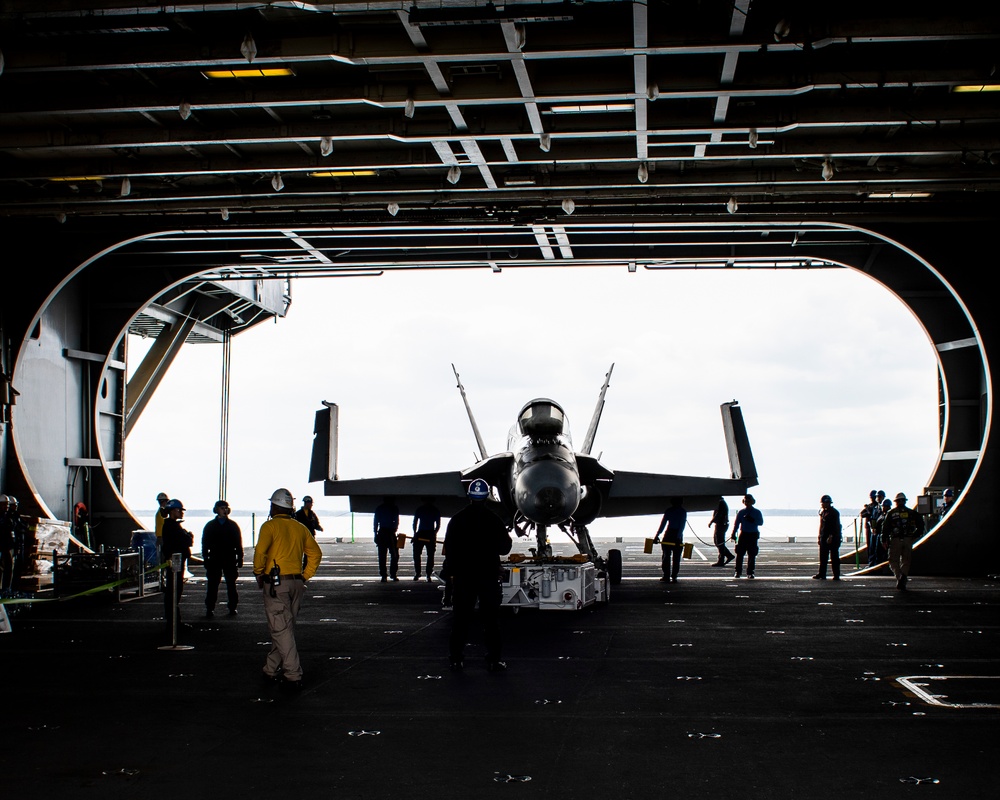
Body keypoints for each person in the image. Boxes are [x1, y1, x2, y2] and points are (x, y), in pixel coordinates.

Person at [253, 488, 323, 689]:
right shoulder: (300, 528)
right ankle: (270, 668)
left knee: (280, 628)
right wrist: (304, 576)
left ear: (274, 506)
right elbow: (315, 554)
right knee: (284, 627)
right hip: (296, 584)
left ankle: (293, 674)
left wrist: (258, 573)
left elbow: (260, 553)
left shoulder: (269, 526)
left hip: (276, 584)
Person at [443, 479, 512, 671]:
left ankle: (456, 659)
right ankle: (494, 660)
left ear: (470, 495)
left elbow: (449, 549)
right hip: (488, 577)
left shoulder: (457, 519)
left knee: (461, 620)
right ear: (487, 495)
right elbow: (505, 547)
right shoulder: (494, 519)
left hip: (464, 578)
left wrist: (452, 573)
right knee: (491, 621)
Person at [202, 499, 243, 617]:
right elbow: (205, 543)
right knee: (212, 585)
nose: (224, 510)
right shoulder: (210, 526)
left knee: (231, 584)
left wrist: (240, 558)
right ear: (216, 510)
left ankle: (232, 607)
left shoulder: (233, 525)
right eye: (222, 508)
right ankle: (210, 608)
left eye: (226, 508)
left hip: (229, 558)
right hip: (215, 558)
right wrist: (206, 558)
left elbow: (238, 542)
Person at [160, 498, 194, 632]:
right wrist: (188, 536)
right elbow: (184, 541)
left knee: (174, 593)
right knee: (174, 593)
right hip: (175, 565)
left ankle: (174, 621)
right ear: (173, 511)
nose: (181, 513)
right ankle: (173, 623)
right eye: (179, 510)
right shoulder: (172, 527)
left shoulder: (171, 526)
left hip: (176, 563)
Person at [880, 492, 924, 591]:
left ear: (896, 502)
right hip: (908, 539)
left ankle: (899, 576)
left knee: (892, 560)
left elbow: (885, 528)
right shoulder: (911, 513)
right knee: (906, 561)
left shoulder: (891, 513)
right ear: (904, 501)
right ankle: (903, 577)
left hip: (895, 539)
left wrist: (884, 539)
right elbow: (921, 525)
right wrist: (914, 535)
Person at [652, 497, 687, 582]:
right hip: (677, 534)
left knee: (666, 556)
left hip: (669, 534)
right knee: (676, 557)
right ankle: (674, 576)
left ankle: (666, 576)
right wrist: (678, 537)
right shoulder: (683, 512)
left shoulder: (669, 511)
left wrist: (657, 535)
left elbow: (663, 524)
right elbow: (682, 526)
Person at [731, 494, 764, 579]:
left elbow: (760, 522)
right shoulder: (741, 512)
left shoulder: (757, 512)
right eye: (746, 501)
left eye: (749, 501)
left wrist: (752, 520)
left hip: (752, 534)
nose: (747, 502)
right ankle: (738, 571)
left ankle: (750, 572)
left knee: (752, 554)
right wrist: (733, 533)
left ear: (752, 502)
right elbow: (736, 524)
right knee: (739, 554)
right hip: (743, 534)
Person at [813, 494, 843, 580]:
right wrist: (819, 537)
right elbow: (822, 526)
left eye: (823, 503)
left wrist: (831, 536)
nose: (822, 505)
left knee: (834, 557)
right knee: (823, 557)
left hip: (833, 538)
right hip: (824, 536)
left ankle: (836, 575)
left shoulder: (834, 512)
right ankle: (822, 573)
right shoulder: (823, 513)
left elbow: (836, 526)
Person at [411, 497, 441, 580]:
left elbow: (415, 522)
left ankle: (419, 573)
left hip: (422, 533)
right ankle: (426, 574)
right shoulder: (435, 510)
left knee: (418, 554)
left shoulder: (420, 509)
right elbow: (438, 525)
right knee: (429, 555)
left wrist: (415, 534)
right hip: (429, 533)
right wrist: (434, 533)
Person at [373, 496, 400, 582]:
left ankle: (384, 575)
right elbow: (396, 521)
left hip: (382, 532)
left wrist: (375, 534)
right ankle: (393, 574)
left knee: (382, 556)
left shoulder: (379, 508)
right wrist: (394, 529)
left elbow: (376, 522)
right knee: (394, 555)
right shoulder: (394, 508)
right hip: (390, 533)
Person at [709, 498, 734, 567]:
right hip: (721, 524)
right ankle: (728, 555)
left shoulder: (721, 503)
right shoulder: (721, 503)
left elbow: (718, 514)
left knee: (719, 543)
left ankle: (721, 560)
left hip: (721, 524)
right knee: (718, 542)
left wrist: (711, 521)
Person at [0, 494, 13, 593]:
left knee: (8, 566)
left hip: (7, 546)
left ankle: (6, 588)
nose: (7, 507)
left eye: (8, 505)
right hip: (2, 546)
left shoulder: (8, 517)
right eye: (4, 505)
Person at [860, 490, 877, 562]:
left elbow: (873, 514)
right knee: (869, 545)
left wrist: (868, 510)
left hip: (875, 528)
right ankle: (870, 560)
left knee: (874, 545)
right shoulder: (870, 506)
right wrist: (867, 510)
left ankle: (874, 560)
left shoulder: (877, 506)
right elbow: (862, 514)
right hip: (868, 528)